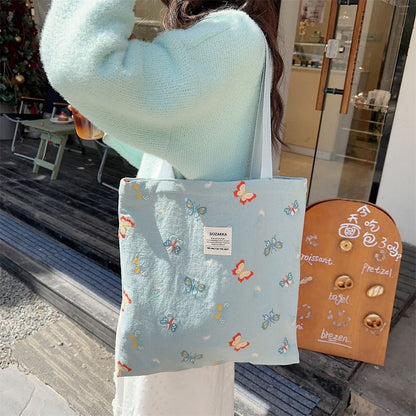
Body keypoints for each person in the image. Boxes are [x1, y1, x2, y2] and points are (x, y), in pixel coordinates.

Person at [40, 0, 284, 414]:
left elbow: (78, 62)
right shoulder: (232, 38)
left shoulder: (231, 37)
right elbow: (180, 160)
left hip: (181, 303)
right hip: (193, 297)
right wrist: (110, 126)